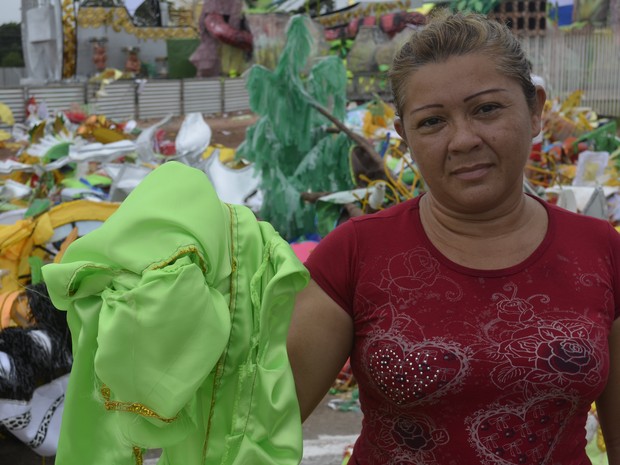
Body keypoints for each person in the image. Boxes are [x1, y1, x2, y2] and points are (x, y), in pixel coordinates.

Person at [287, 10, 620, 465]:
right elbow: (265, 421)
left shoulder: (601, 249)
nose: (463, 140)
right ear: (404, 136)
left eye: (486, 109)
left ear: (536, 108)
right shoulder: (354, 254)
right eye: (432, 122)